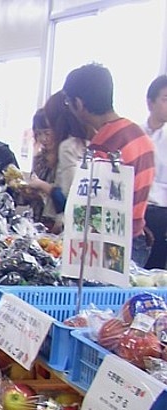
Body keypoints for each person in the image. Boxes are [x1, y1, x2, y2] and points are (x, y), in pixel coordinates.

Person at [63, 63, 156, 267]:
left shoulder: (103, 147)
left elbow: (93, 214)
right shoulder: (139, 135)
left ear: (78, 103)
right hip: (138, 239)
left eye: (69, 102)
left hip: (112, 248)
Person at [26, 91, 89, 233]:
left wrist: (42, 186)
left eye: (47, 133)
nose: (43, 139)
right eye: (38, 134)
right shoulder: (40, 159)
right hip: (39, 221)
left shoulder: (68, 152)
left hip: (59, 225)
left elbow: (67, 198)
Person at [143, 75, 167, 269]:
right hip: (136, 210)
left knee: (154, 271)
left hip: (161, 213)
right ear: (150, 103)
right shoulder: (135, 134)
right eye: (165, 99)